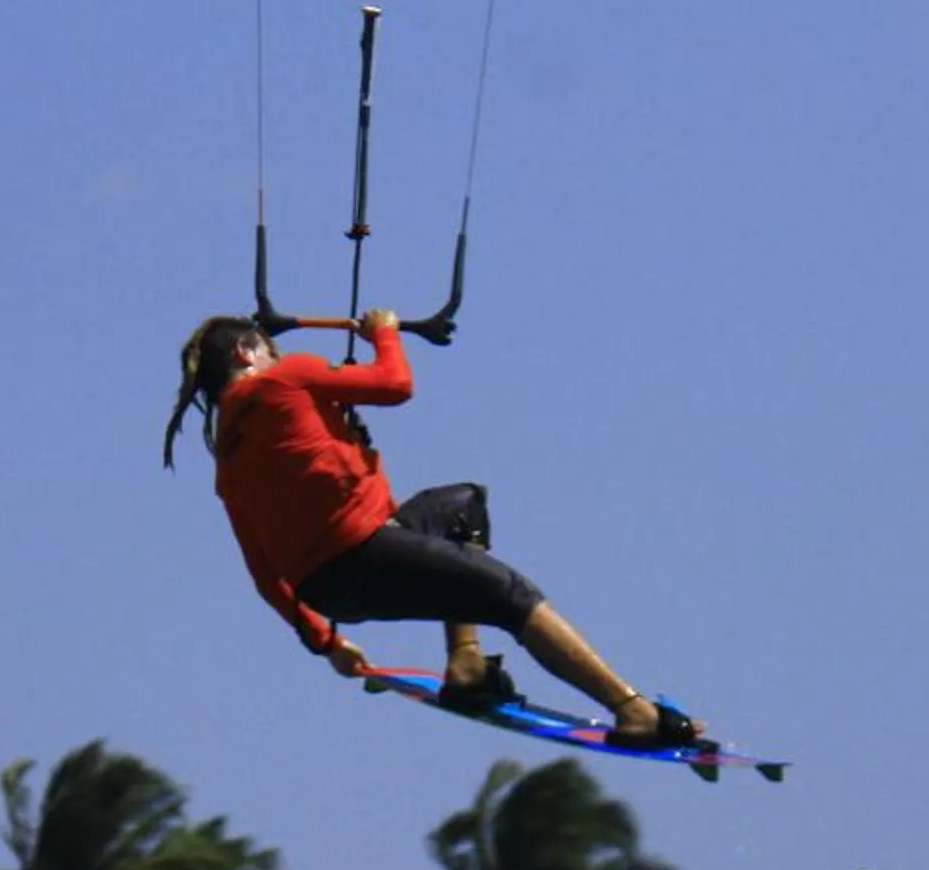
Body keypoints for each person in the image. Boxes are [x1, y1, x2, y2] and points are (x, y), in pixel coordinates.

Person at [161, 308, 701, 748]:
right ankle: (633, 712)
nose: (276, 356)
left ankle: (465, 665)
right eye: (268, 349)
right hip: (365, 554)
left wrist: (327, 642)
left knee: (462, 506)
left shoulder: (227, 470)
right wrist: (385, 334)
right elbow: (396, 384)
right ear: (246, 352)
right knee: (509, 594)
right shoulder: (285, 377)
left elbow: (265, 576)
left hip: (331, 586)